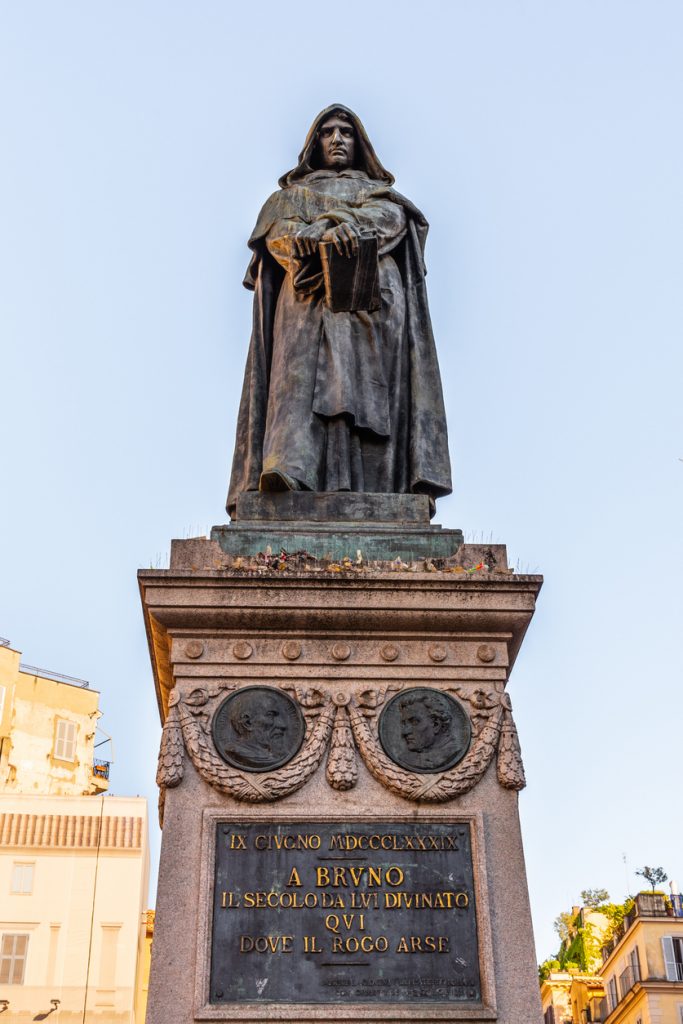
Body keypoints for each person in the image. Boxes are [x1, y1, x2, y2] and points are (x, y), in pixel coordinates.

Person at [227, 104, 452, 517]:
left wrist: (334, 224)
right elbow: (278, 235)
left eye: (345, 132)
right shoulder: (286, 198)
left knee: (369, 389)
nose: (336, 139)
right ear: (314, 144)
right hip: (307, 295)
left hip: (374, 299)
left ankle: (380, 487)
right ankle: (289, 470)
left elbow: (392, 220)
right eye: (327, 132)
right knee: (296, 382)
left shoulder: (383, 197)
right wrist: (312, 239)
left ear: (359, 143)